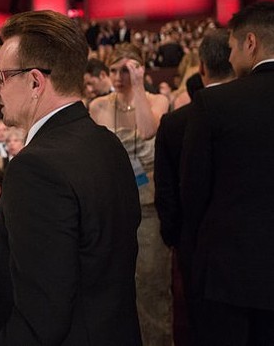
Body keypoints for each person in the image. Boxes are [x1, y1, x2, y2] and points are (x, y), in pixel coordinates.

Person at [0, 10, 142, 345]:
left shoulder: (35, 168)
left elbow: (41, 314)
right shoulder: (107, 142)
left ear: (34, 82)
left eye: (1, 77)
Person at [180, 1, 274, 345]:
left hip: (228, 273)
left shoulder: (214, 104)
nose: (231, 56)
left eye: (232, 46)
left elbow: (193, 192)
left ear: (250, 43)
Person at [153, 28, 234, 346]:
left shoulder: (176, 122)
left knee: (201, 328)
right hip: (252, 248)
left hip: (194, 244)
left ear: (201, 67)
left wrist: (175, 237)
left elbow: (167, 191)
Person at [89, 43, 172, 346]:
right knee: (113, 287)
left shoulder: (157, 100)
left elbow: (148, 131)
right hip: (112, 207)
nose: (118, 76)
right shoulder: (98, 106)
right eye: (113, 70)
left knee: (151, 288)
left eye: (126, 69)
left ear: (139, 69)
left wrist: (138, 86)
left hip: (149, 206)